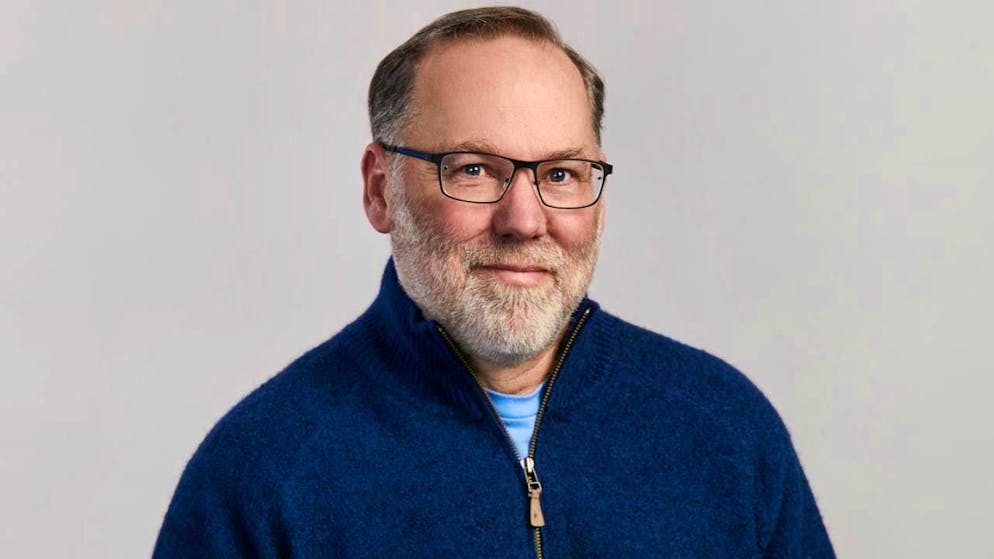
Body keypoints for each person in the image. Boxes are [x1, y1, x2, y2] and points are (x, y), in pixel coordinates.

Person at [154, 7, 835, 558]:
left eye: (561, 173)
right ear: (379, 189)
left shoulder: (724, 431)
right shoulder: (264, 473)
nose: (525, 218)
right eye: (474, 168)